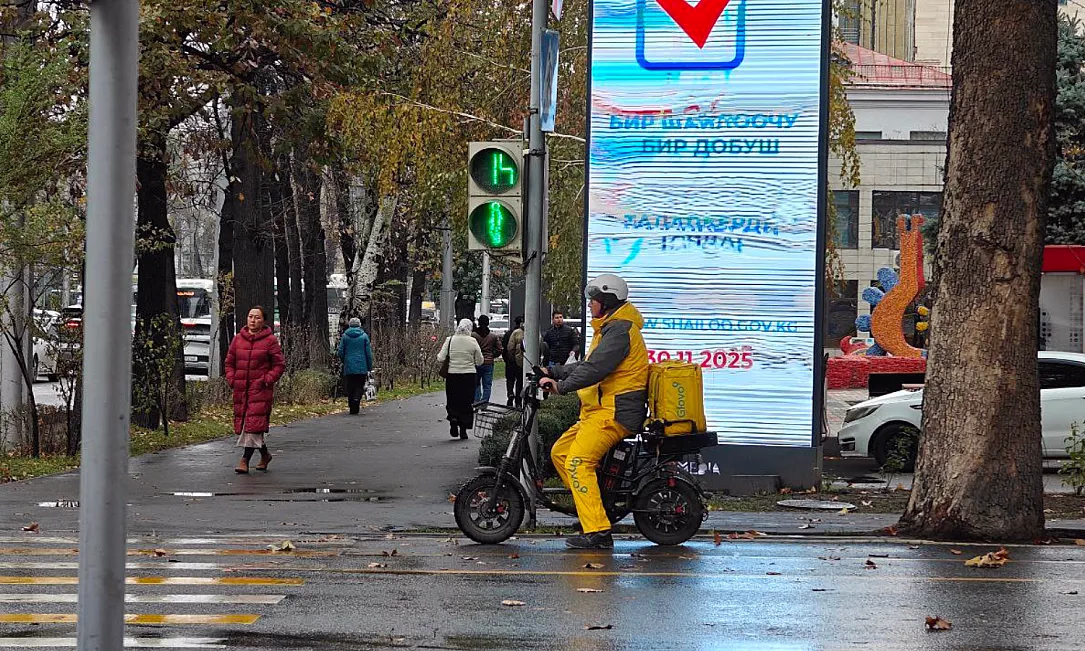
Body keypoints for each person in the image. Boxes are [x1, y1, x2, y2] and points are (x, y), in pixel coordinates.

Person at [539, 274, 648, 549]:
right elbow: (587, 364)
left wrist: (561, 386)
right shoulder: (609, 328)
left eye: (593, 300)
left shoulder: (620, 330)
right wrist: (552, 371)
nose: (589, 305)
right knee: (561, 453)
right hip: (599, 411)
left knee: (577, 462)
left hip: (613, 413)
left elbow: (595, 369)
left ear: (607, 301)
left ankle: (598, 530)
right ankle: (594, 510)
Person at [226, 305, 286, 474]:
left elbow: (279, 365)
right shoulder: (238, 339)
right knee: (251, 425)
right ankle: (265, 455)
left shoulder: (270, 341)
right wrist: (232, 379)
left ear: (263, 321)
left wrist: (266, 380)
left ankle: (244, 460)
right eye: (250, 316)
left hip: (260, 390)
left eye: (257, 317)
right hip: (241, 389)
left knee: (252, 425)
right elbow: (229, 362)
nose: (253, 320)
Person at [437, 318, 484, 439]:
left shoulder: (450, 340)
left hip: (453, 375)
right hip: (469, 376)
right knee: (466, 402)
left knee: (453, 399)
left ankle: (453, 417)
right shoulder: (473, 341)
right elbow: (480, 361)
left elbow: (440, 358)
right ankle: (463, 428)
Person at [337, 317, 374, 415]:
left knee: (350, 385)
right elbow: (368, 353)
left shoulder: (345, 336)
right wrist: (369, 367)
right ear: (359, 325)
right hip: (362, 365)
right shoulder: (364, 336)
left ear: (349, 325)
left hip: (349, 365)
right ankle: (357, 399)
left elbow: (340, 351)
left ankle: (351, 406)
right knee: (359, 384)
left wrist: (344, 360)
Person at [472, 314, 503, 403]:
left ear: (478, 322)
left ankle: (476, 401)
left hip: (476, 362)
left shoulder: (473, 335)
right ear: (488, 323)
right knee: (487, 385)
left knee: (476, 383)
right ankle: (484, 402)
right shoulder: (493, 336)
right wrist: (493, 355)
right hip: (489, 362)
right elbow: (500, 349)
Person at [504, 316, 525, 407]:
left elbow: (508, 347)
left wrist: (508, 359)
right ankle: (518, 400)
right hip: (521, 362)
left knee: (510, 379)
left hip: (511, 361)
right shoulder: (525, 333)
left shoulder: (510, 333)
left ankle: (510, 394)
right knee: (519, 381)